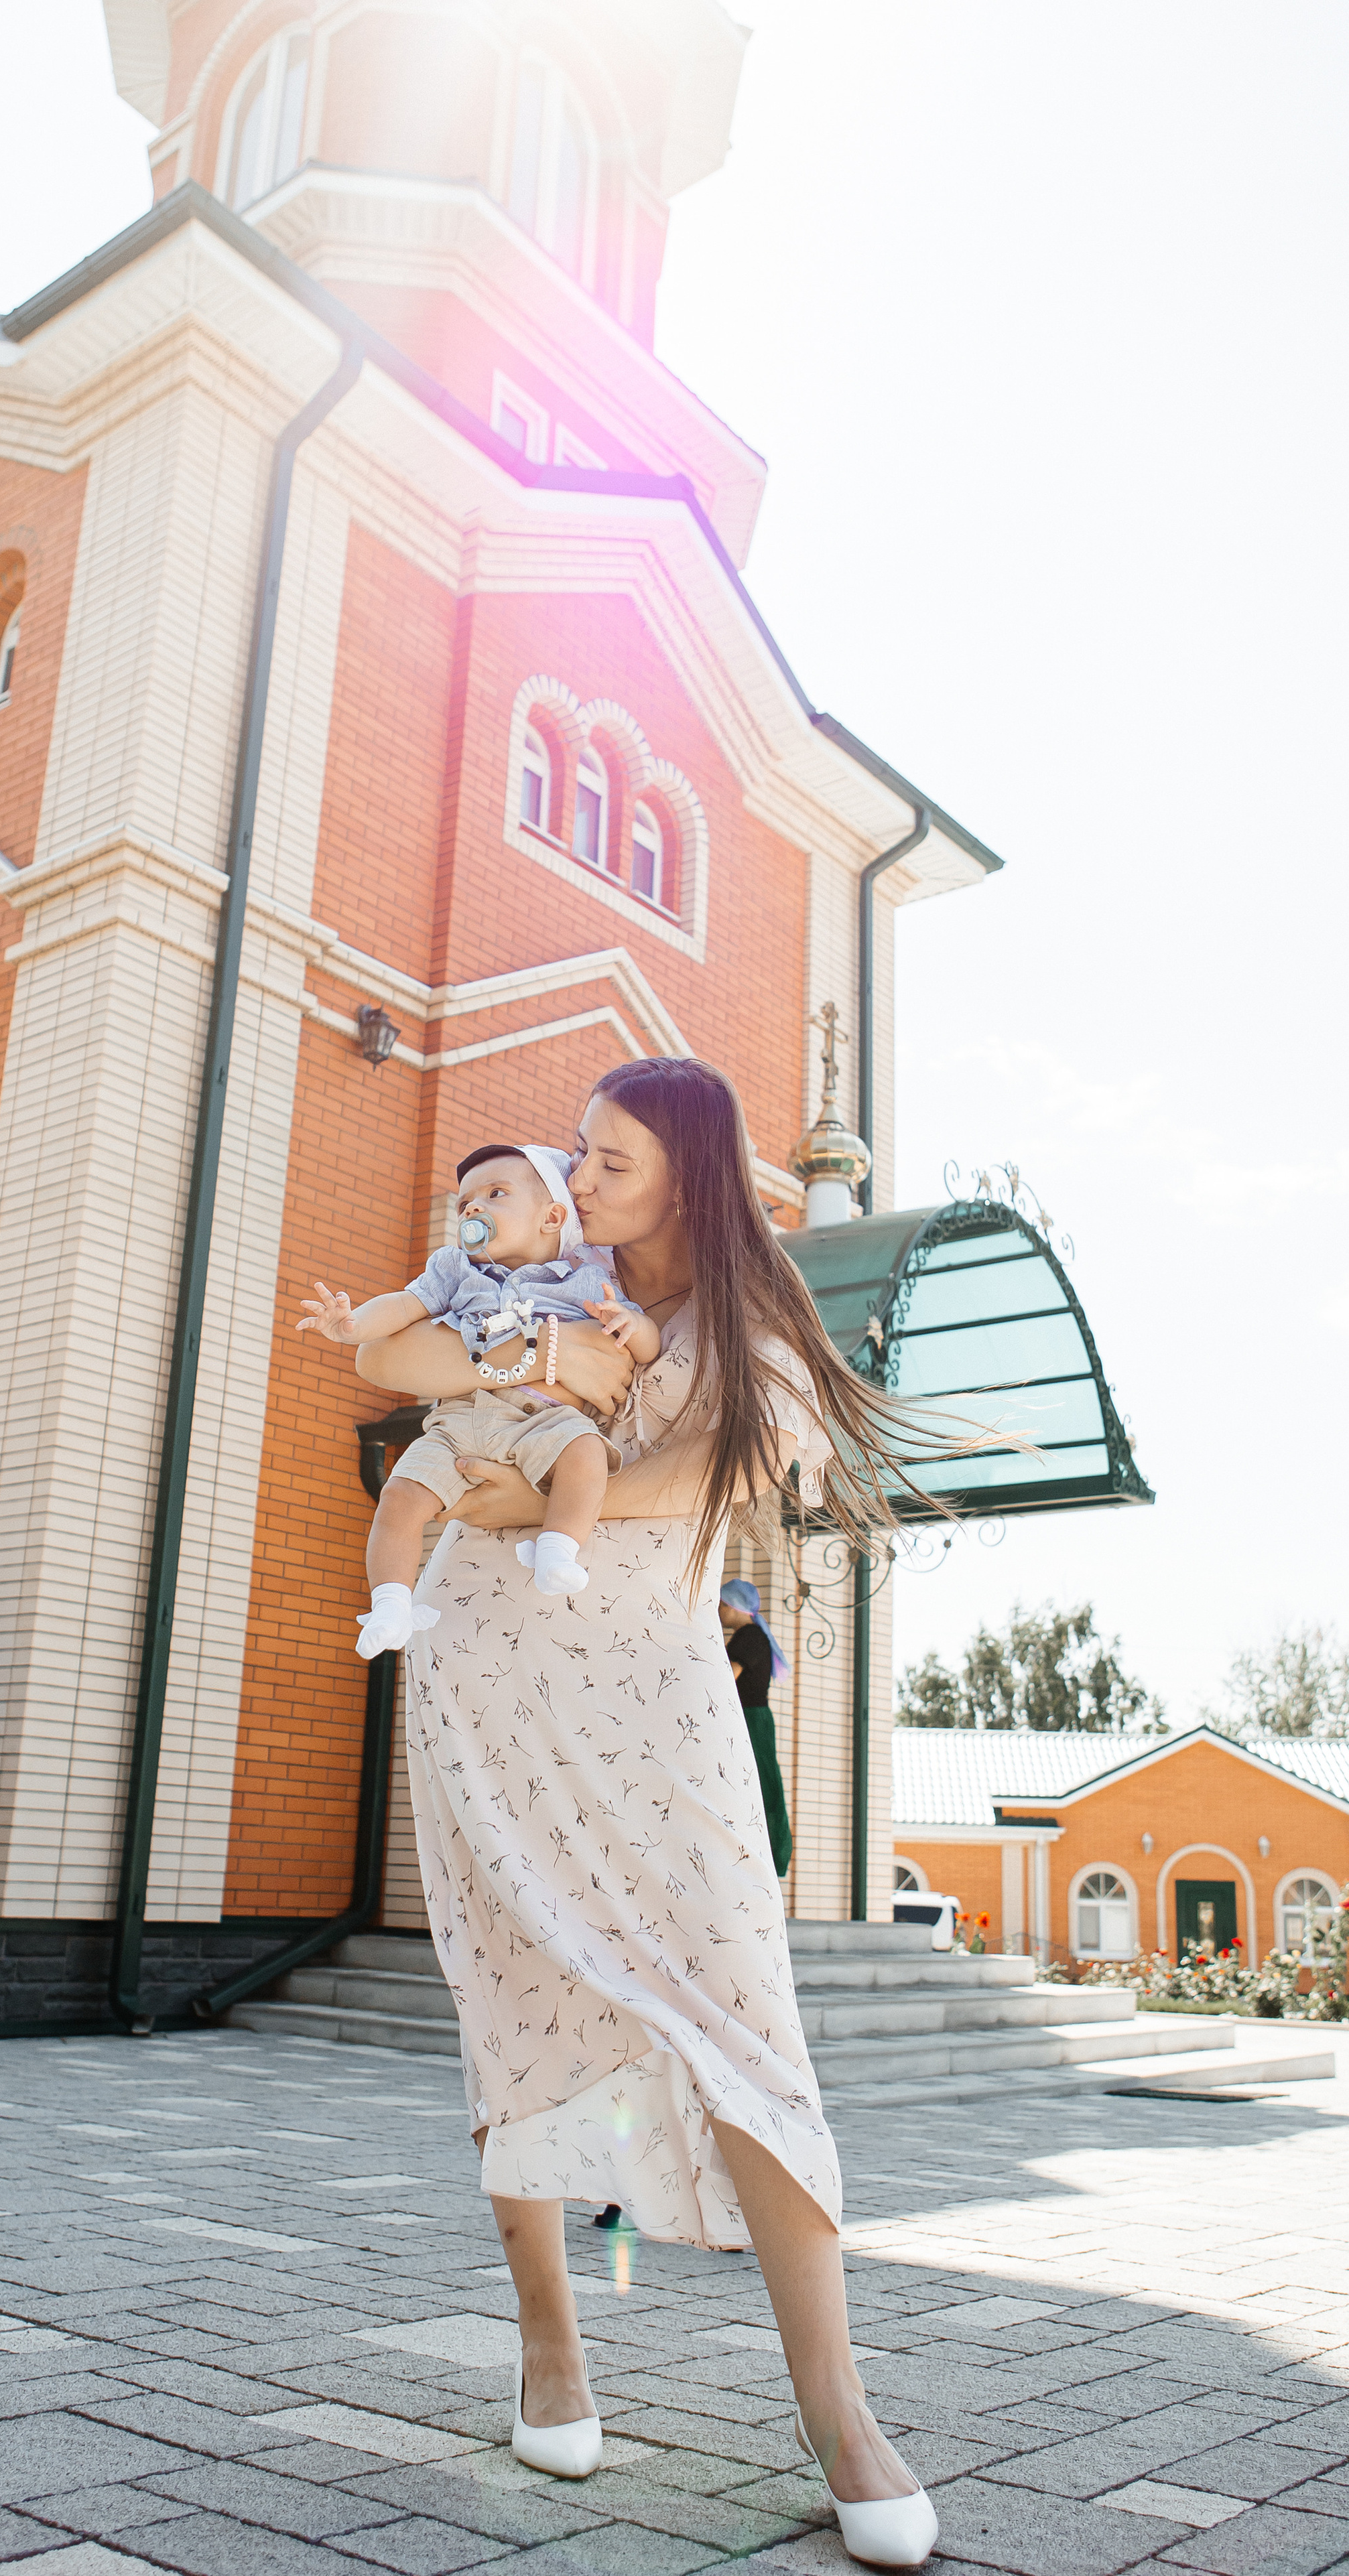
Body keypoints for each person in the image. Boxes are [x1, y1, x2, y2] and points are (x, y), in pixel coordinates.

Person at [354, 1057, 950, 2569]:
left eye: (611, 1156)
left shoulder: (748, 1325)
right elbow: (417, 1368)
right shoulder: (544, 1265)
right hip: (486, 1680)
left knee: (743, 2010)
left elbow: (688, 1470)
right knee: (519, 1997)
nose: (582, 1170)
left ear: (686, 1170)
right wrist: (438, 1336)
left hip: (657, 1705)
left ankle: (838, 2412)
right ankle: (552, 2349)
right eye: (580, 1149)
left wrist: (512, 1494)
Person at [297, 1143, 659, 1652]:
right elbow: (404, 1305)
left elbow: (644, 1346)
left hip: (545, 1419)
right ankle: (391, 1604)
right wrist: (353, 1324)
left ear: (552, 1217)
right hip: (462, 1418)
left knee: (587, 1454)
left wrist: (634, 1325)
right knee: (399, 1496)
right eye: (465, 1201)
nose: (472, 1207)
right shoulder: (453, 1269)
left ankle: (558, 1547)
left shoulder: (588, 1279)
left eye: (495, 1193)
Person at [719, 1577, 793, 1879]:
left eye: (721, 1604)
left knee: (761, 1785)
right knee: (763, 1783)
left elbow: (725, 1680)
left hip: (751, 1719)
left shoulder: (747, 1637)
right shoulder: (754, 1636)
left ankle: (771, 1853)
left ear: (733, 1606)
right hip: (757, 1717)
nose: (718, 1610)